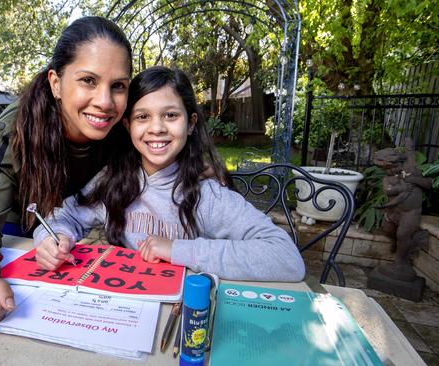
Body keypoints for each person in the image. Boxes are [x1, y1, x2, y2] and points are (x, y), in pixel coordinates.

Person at [0, 16, 133, 334]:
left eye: (118, 86)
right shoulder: (13, 131)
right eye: (88, 80)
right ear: (56, 83)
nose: (105, 102)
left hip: (83, 253)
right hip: (19, 235)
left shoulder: (126, 127)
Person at [33, 66, 306, 282]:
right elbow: (65, 216)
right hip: (129, 307)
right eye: (143, 117)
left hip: (187, 314)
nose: (157, 128)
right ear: (127, 126)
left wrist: (177, 250)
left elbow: (284, 257)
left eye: (171, 115)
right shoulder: (113, 180)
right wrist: (52, 238)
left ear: (191, 123)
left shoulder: (206, 194)